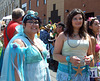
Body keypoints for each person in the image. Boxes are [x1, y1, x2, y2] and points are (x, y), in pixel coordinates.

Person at [0, 10, 51, 81]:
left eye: (36, 22)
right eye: (30, 22)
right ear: (23, 25)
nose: (34, 24)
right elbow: (16, 70)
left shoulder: (39, 41)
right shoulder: (19, 42)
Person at [53, 8, 93, 81]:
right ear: (70, 20)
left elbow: (91, 54)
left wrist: (89, 58)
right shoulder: (62, 35)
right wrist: (69, 59)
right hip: (66, 74)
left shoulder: (87, 36)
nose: (78, 21)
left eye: (80, 18)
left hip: (83, 74)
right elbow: (55, 55)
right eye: (75, 18)